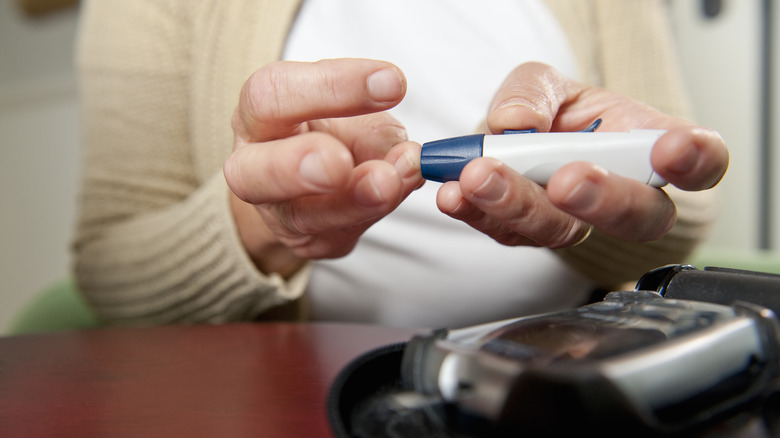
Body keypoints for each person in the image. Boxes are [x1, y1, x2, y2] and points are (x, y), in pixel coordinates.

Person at [72, 0, 728, 328]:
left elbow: (676, 191)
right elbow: (111, 267)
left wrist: (582, 200)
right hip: (295, 395)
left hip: (557, 376)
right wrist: (263, 227)